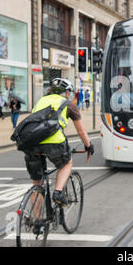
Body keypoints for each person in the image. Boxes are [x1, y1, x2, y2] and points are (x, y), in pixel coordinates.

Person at [24, 78, 94, 206]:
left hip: (31, 143)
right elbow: (82, 132)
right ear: (67, 93)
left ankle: (36, 223)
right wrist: (88, 146)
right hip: (54, 144)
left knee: (37, 184)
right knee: (66, 163)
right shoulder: (69, 104)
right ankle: (58, 192)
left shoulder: (41, 101)